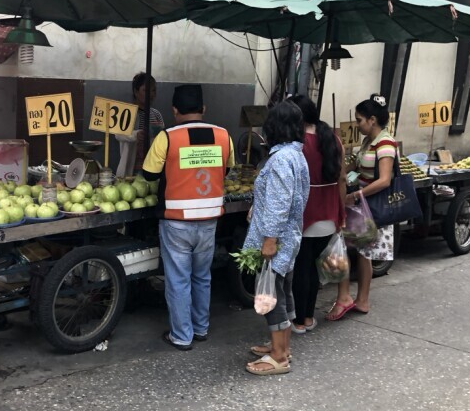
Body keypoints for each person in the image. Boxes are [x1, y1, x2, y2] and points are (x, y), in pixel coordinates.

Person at [141, 84, 235, 350]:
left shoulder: (167, 137)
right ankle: (201, 328)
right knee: (202, 276)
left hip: (176, 221)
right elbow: (227, 170)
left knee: (178, 279)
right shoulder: (223, 135)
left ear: (174, 110)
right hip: (209, 221)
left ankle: (182, 336)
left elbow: (148, 174)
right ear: (203, 109)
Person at [244, 101, 309, 375]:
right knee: (283, 291)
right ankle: (281, 346)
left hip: (277, 238)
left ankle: (279, 356)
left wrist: (269, 239)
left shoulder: (281, 159)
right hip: (290, 235)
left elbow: (280, 202)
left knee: (271, 295)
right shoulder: (295, 154)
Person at [326, 94, 396, 321]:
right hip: (362, 203)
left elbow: (384, 180)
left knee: (363, 251)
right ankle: (360, 300)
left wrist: (356, 194)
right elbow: (353, 166)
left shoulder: (385, 143)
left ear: (372, 119)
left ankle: (361, 299)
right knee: (360, 251)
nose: (357, 124)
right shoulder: (369, 142)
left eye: (359, 120)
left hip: (372, 203)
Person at [287, 95, 346, 334]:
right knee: (312, 268)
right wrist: (341, 213)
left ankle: (300, 320)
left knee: (302, 268)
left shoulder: (296, 143)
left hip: (305, 212)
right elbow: (342, 178)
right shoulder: (332, 138)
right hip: (329, 210)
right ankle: (309, 316)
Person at [116, 72, 165, 177]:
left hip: (153, 168)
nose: (151, 94)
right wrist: (135, 135)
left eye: (153, 90)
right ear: (136, 91)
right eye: (146, 90)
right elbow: (118, 134)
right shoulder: (128, 113)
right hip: (132, 170)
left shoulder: (156, 114)